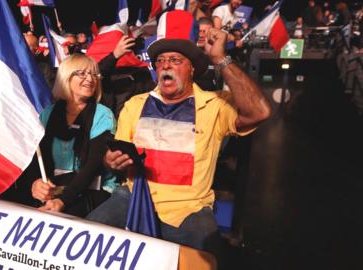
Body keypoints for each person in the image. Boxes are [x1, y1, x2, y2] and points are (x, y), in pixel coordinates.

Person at [87, 10, 271, 257]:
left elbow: (259, 111)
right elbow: (116, 159)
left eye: (175, 60)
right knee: (86, 239)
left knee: (207, 259)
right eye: (161, 60)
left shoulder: (214, 105)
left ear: (192, 68)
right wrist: (111, 162)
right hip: (132, 198)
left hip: (189, 210)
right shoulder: (135, 104)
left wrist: (222, 60)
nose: (165, 66)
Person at [31, 54, 117, 217]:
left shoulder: (103, 115)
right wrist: (35, 184)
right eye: (82, 73)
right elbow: (36, 157)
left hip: (91, 191)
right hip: (53, 191)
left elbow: (92, 167)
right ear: (65, 77)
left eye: (93, 74)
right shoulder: (48, 113)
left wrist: (62, 200)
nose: (90, 79)